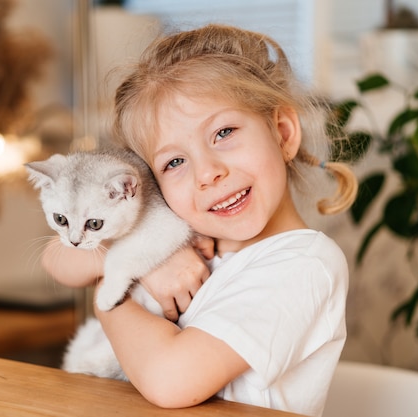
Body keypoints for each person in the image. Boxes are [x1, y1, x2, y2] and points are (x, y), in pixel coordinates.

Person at [42, 24, 357, 417]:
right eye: (174, 162)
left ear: (282, 133)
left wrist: (114, 288)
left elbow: (171, 381)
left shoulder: (305, 264)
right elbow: (57, 260)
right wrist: (150, 262)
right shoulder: (184, 229)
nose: (206, 173)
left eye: (223, 132)